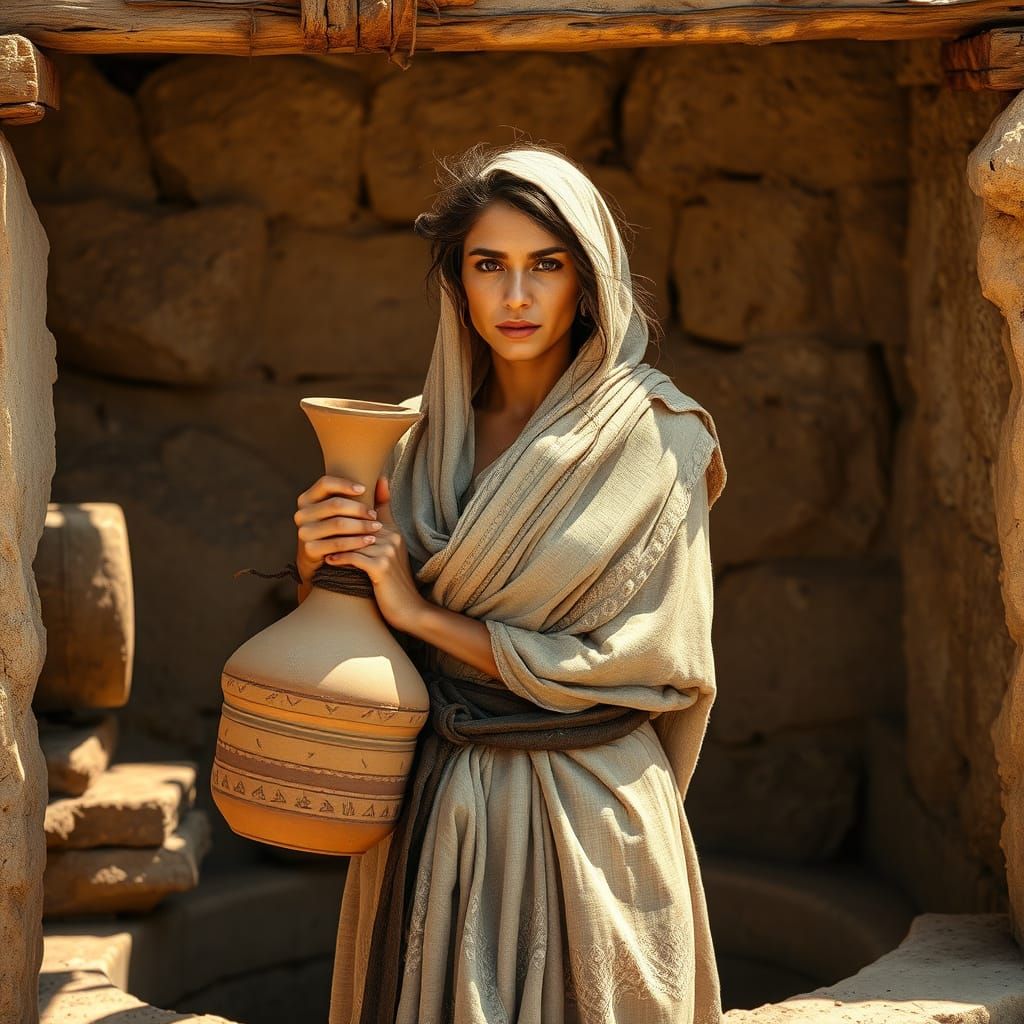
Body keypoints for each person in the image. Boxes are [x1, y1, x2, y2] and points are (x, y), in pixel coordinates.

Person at [292, 142, 727, 1024]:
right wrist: (323, 560)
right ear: (458, 282)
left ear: (590, 278)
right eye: (489, 265)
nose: (517, 296)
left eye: (547, 265)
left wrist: (417, 607)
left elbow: (640, 662)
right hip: (429, 819)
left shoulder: (660, 439)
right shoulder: (409, 446)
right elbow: (355, 652)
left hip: (589, 821)